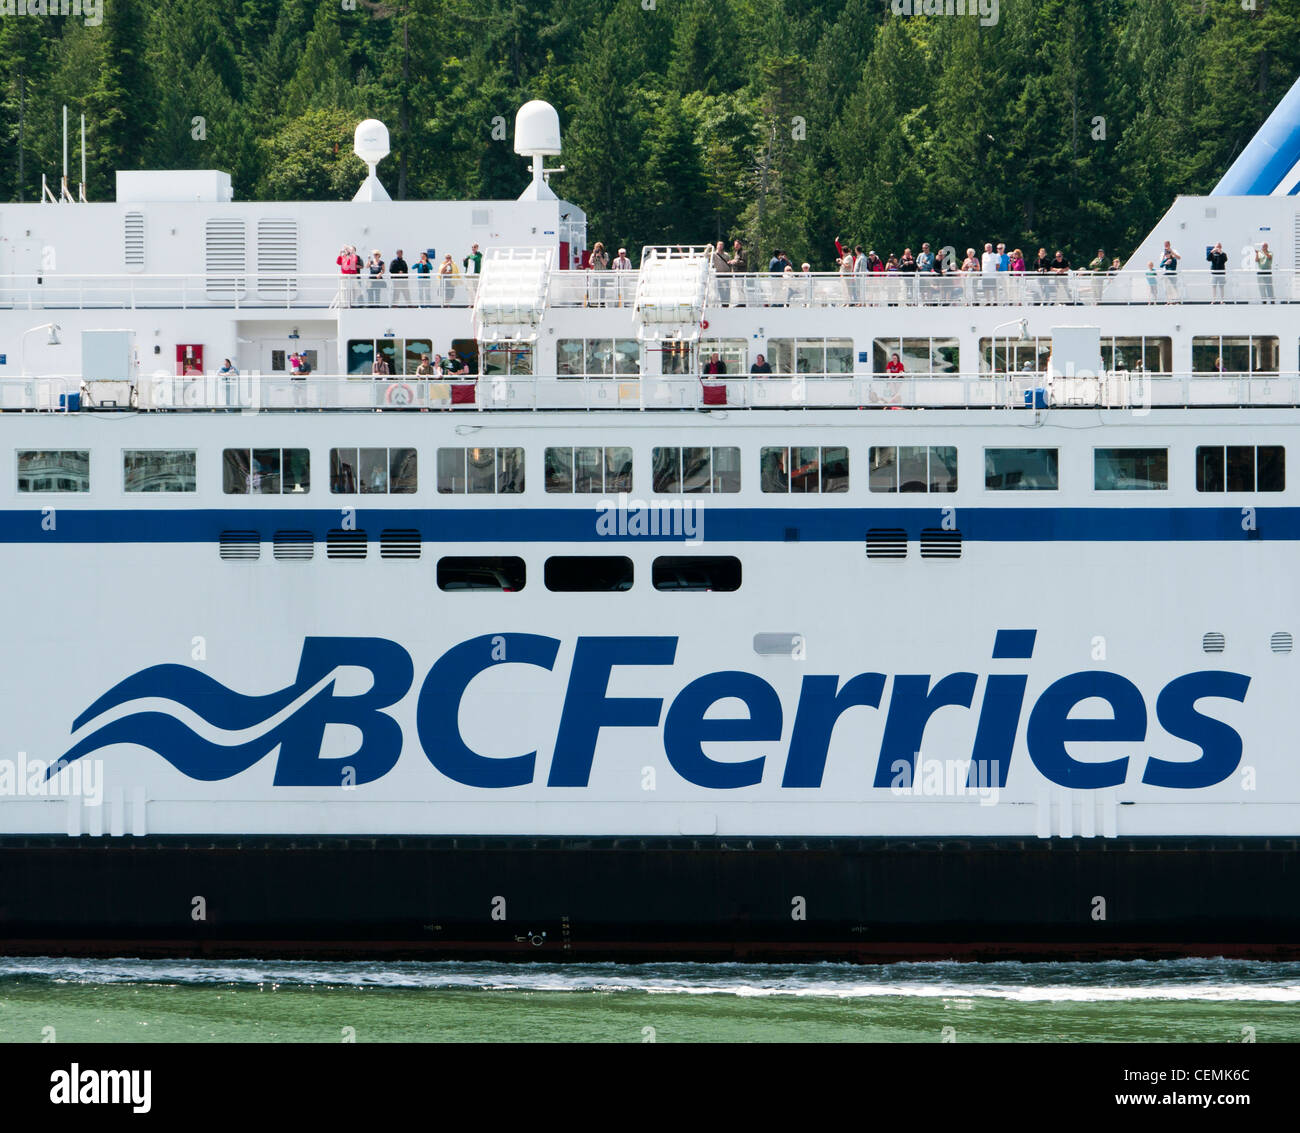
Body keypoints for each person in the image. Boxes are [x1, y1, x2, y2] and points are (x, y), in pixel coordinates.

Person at [588, 241, 609, 306]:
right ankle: (596, 302)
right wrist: (594, 255)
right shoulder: (593, 255)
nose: (598, 250)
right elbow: (590, 263)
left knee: (602, 289)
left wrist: (600, 257)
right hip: (596, 274)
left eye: (599, 248)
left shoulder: (605, 254)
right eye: (597, 248)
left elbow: (605, 263)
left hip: (603, 274)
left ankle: (602, 302)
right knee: (596, 288)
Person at [728, 238, 748, 305]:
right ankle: (741, 302)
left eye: (737, 245)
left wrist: (735, 262)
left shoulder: (743, 252)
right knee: (738, 288)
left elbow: (744, 262)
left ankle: (743, 303)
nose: (735, 246)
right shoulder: (736, 253)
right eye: (735, 245)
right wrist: (732, 261)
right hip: (736, 273)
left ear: (740, 245)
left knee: (740, 288)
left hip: (740, 273)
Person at [711, 240, 731, 305]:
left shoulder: (726, 255)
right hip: (719, 274)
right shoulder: (713, 254)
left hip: (727, 274)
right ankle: (723, 302)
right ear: (717, 246)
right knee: (720, 289)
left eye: (721, 245)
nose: (720, 246)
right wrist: (708, 248)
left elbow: (730, 263)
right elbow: (705, 255)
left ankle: (727, 302)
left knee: (727, 289)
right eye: (719, 245)